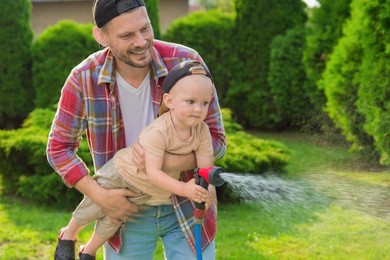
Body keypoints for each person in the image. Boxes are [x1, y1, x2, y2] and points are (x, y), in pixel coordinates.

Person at [46, 0, 227, 259]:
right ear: (101, 36)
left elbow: (217, 139)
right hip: (124, 209)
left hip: (187, 207)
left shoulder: (187, 63)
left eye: (145, 28)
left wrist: (165, 161)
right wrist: (102, 196)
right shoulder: (84, 78)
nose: (141, 41)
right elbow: (58, 148)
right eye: (127, 35)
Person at [54, 60, 216, 260]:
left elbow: (205, 168)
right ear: (170, 101)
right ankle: (69, 233)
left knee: (115, 217)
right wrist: (185, 190)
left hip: (146, 189)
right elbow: (154, 172)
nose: (199, 109)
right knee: (96, 205)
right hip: (122, 172)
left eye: (204, 103)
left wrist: (206, 191)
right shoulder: (159, 130)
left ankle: (89, 250)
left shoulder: (202, 132)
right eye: (190, 102)